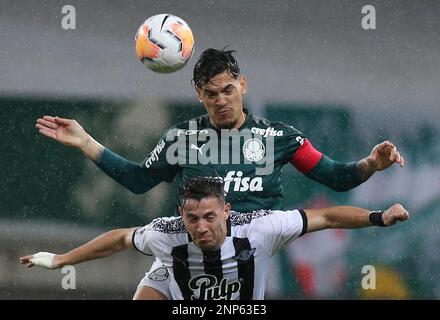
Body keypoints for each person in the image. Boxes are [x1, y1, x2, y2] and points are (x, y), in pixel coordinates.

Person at [35, 48, 404, 299]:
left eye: (228, 90)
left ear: (242, 85)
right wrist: (86, 142)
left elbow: (336, 179)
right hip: (191, 247)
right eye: (211, 94)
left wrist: (370, 164)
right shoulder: (181, 139)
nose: (221, 100)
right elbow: (138, 181)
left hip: (247, 250)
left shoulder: (278, 138)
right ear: (200, 95)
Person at [20, 177, 409, 300]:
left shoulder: (259, 227)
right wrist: (60, 260)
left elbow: (325, 216)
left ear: (226, 211)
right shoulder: (168, 234)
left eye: (210, 216)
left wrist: (378, 217)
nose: (202, 226)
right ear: (181, 216)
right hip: (176, 283)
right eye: (193, 219)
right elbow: (120, 239)